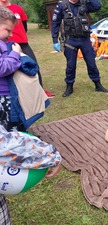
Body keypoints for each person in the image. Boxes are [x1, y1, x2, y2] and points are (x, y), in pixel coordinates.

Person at [0, 6, 60, 224]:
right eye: (7, 30)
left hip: (9, 97)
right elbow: (4, 67)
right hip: (3, 100)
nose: (9, 34)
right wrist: (15, 54)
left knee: (12, 132)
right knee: (10, 137)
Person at [51, 0, 108, 97]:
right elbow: (55, 23)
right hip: (70, 40)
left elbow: (98, 6)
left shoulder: (84, 3)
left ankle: (97, 84)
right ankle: (69, 86)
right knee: (71, 65)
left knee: (91, 63)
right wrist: (55, 40)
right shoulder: (62, 5)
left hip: (84, 40)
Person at [0, 0, 55, 98]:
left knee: (33, 65)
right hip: (6, 44)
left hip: (22, 43)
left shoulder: (18, 8)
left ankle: (40, 92)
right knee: (12, 69)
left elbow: (24, 26)